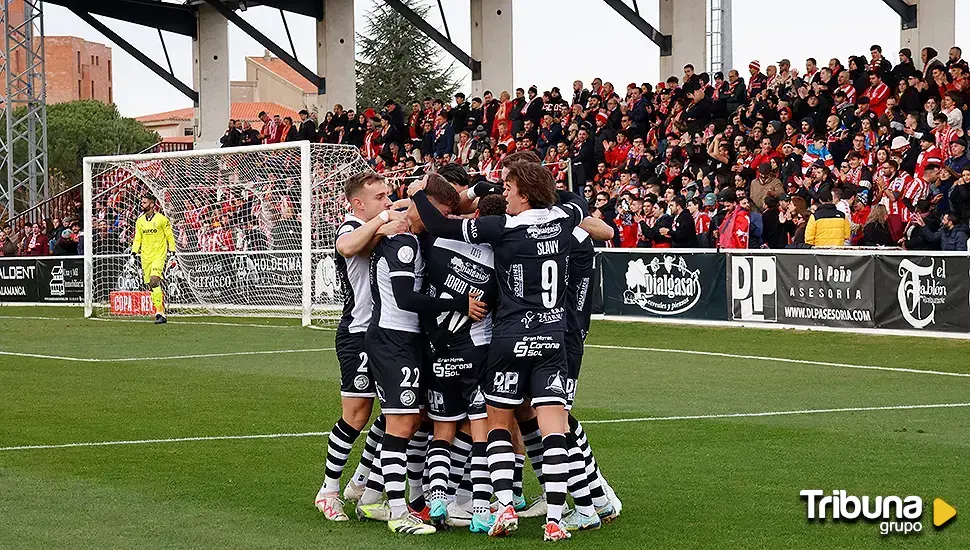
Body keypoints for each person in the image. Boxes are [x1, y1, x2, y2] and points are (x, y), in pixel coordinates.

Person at [410, 161, 612, 541]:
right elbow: (578, 203)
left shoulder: (502, 227)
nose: (504, 194)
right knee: (554, 427)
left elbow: (438, 226)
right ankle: (556, 517)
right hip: (552, 338)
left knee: (499, 424)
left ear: (523, 193)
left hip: (509, 338)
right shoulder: (564, 218)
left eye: (508, 188)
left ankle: (504, 506)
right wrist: (550, 190)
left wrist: (419, 192)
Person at [362, 174, 485, 536]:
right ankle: (398, 511)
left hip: (407, 340)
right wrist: (459, 303)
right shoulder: (401, 241)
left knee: (411, 421)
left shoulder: (412, 237)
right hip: (392, 338)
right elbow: (406, 298)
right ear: (427, 206)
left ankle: (374, 497)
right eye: (442, 213)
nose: (444, 222)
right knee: (401, 423)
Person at [315, 172, 406, 521]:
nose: (387, 201)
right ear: (358, 204)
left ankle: (363, 485)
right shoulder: (350, 226)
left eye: (387, 196)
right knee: (356, 416)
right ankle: (329, 491)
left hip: (392, 334)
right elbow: (348, 247)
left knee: (399, 413)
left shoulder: (378, 224)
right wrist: (385, 219)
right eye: (379, 197)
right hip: (359, 334)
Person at [131, 194, 176, 324]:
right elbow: (137, 238)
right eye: (142, 202)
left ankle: (161, 313)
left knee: (154, 280)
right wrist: (134, 254)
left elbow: (169, 236)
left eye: (144, 202)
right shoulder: (140, 221)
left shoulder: (162, 219)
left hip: (159, 255)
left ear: (152, 204)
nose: (142, 204)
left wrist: (172, 251)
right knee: (151, 285)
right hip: (145, 256)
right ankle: (159, 312)